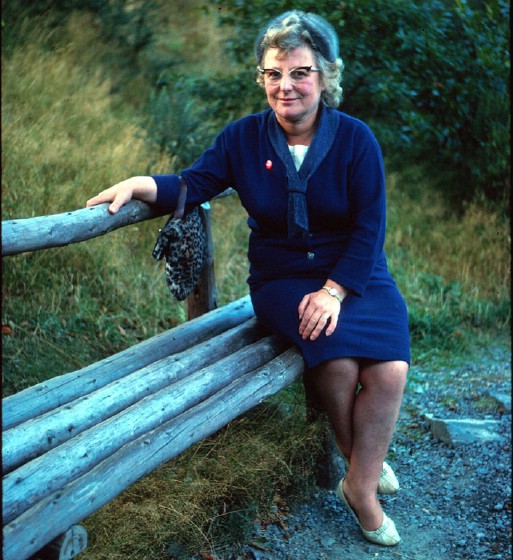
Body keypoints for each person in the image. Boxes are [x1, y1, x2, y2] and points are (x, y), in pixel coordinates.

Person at [87, 10, 410, 547]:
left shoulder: (356, 140)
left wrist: (334, 291)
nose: (286, 86)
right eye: (273, 73)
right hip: (282, 277)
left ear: (326, 76)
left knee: (391, 370)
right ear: (262, 78)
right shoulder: (242, 139)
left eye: (300, 72)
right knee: (335, 354)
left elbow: (370, 227)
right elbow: (195, 182)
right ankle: (364, 482)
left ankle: (358, 468)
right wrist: (141, 183)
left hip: (355, 273)